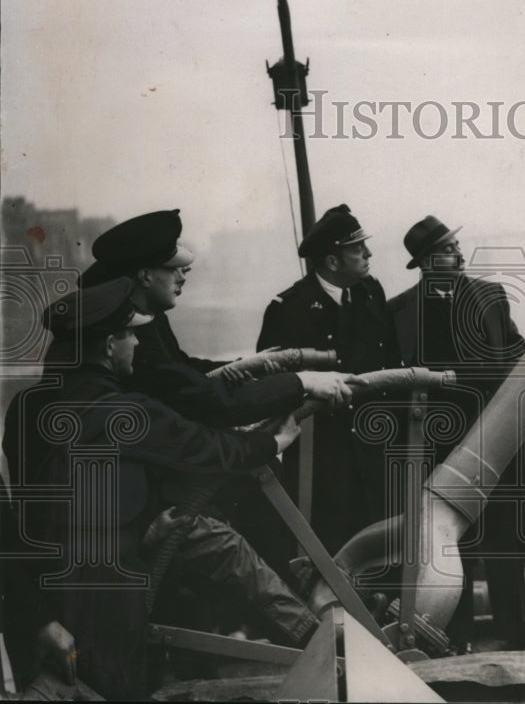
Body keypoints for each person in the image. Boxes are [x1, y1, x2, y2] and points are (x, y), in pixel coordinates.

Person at [1, 278, 319, 699]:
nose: (136, 343)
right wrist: (273, 442)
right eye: (131, 333)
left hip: (35, 595)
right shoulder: (125, 411)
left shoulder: (26, 407)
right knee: (117, 689)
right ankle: (316, 638)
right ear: (108, 345)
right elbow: (206, 448)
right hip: (105, 594)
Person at [79, 209, 356, 584]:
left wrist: (253, 366)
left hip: (139, 480)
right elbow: (202, 397)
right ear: (145, 276)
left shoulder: (140, 315)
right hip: (135, 503)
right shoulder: (128, 325)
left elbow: (182, 368)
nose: (183, 276)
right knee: (252, 502)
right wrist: (300, 383)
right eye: (173, 269)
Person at [388, 216, 525, 652]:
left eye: (457, 246)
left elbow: (517, 353)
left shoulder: (490, 296)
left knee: (506, 536)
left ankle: (519, 631)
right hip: (438, 442)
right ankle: (457, 636)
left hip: (496, 436)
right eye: (451, 249)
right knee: (452, 541)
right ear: (429, 262)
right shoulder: (399, 312)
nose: (460, 254)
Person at [257, 204, 402, 555]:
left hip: (374, 449)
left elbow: (391, 360)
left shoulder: (370, 293)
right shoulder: (289, 307)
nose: (368, 254)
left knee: (384, 550)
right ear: (332, 261)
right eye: (357, 249)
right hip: (322, 461)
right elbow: (270, 385)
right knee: (329, 552)